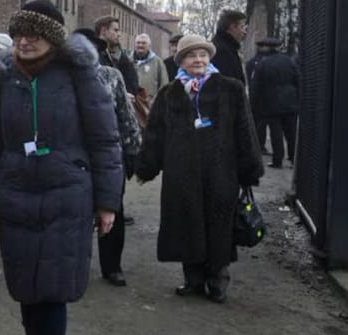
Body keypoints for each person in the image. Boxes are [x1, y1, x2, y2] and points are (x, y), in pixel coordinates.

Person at [0, 1, 122, 335]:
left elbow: (106, 141)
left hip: (68, 197)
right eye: (20, 33)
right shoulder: (3, 79)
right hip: (16, 196)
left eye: (34, 33)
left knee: (53, 291)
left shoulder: (79, 75)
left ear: (53, 37)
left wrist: (107, 202)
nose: (25, 40)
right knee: (27, 290)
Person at [136, 34, 263, 304]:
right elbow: (155, 134)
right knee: (186, 223)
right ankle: (193, 279)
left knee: (218, 225)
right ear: (181, 60)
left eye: (203, 55)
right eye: (191, 55)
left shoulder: (230, 89)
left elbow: (244, 130)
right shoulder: (169, 94)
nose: (198, 60)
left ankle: (218, 280)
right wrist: (146, 166)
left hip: (221, 172)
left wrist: (249, 168)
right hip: (181, 173)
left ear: (209, 58)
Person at [74, 28, 141, 287]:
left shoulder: (111, 76)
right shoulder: (62, 77)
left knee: (112, 208)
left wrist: (132, 150)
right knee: (75, 211)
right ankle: (75, 265)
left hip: (108, 154)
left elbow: (126, 115)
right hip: (74, 155)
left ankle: (112, 266)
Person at [248, 37, 298, 168]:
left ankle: (277, 160)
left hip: (270, 103)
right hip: (290, 102)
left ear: (266, 48)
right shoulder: (289, 61)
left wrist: (253, 105)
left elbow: (255, 87)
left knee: (276, 133)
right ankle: (293, 158)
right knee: (291, 132)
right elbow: (297, 80)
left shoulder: (262, 64)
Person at [94, 16, 140, 95]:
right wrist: (121, 95)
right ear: (104, 31)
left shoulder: (120, 56)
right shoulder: (92, 55)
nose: (119, 34)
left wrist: (126, 95)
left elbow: (133, 84)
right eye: (115, 30)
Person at [211, 9, 248, 84]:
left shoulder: (228, 47)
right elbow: (227, 83)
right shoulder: (222, 50)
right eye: (242, 27)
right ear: (232, 27)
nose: (245, 32)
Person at [133, 33, 168, 107]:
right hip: (132, 104)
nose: (140, 45)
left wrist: (156, 101)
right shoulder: (128, 61)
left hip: (151, 105)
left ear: (149, 45)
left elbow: (164, 85)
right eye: (138, 43)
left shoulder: (158, 62)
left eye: (143, 43)